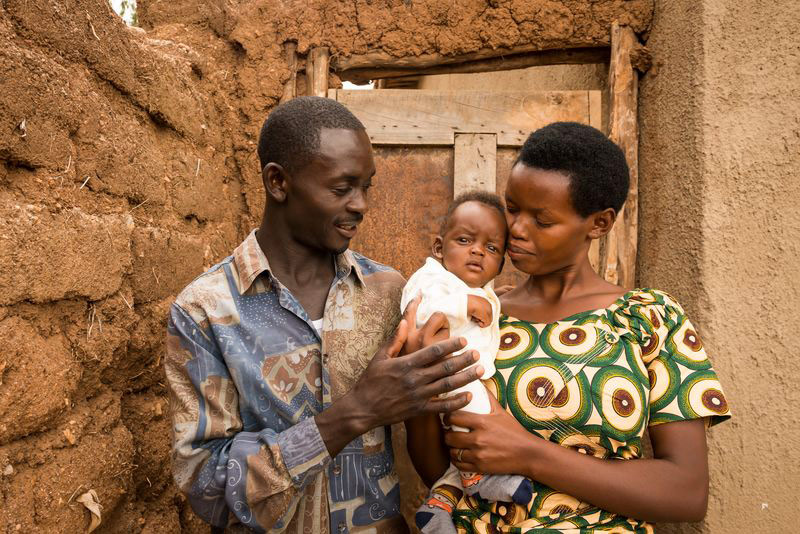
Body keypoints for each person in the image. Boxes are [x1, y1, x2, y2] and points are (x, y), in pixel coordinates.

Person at [164, 96, 485, 533]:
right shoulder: (205, 310)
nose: (360, 205)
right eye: (341, 188)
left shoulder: (389, 294)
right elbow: (206, 486)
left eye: (366, 187)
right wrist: (356, 413)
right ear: (278, 182)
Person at [406, 122, 731, 533]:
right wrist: (417, 386)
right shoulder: (481, 317)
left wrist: (528, 454)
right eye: (512, 208)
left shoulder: (649, 319)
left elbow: (686, 492)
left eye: (541, 220)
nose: (517, 230)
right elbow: (441, 468)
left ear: (599, 223)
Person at [400, 191, 532, 534]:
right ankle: (477, 478)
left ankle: (438, 507)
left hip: (464, 381)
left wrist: (493, 300)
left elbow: (485, 310)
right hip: (452, 377)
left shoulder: (481, 292)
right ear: (439, 248)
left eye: (491, 249)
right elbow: (420, 308)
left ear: (500, 264)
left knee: (456, 461)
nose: (477, 250)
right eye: (464, 240)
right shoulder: (432, 279)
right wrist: (466, 303)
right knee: (478, 416)